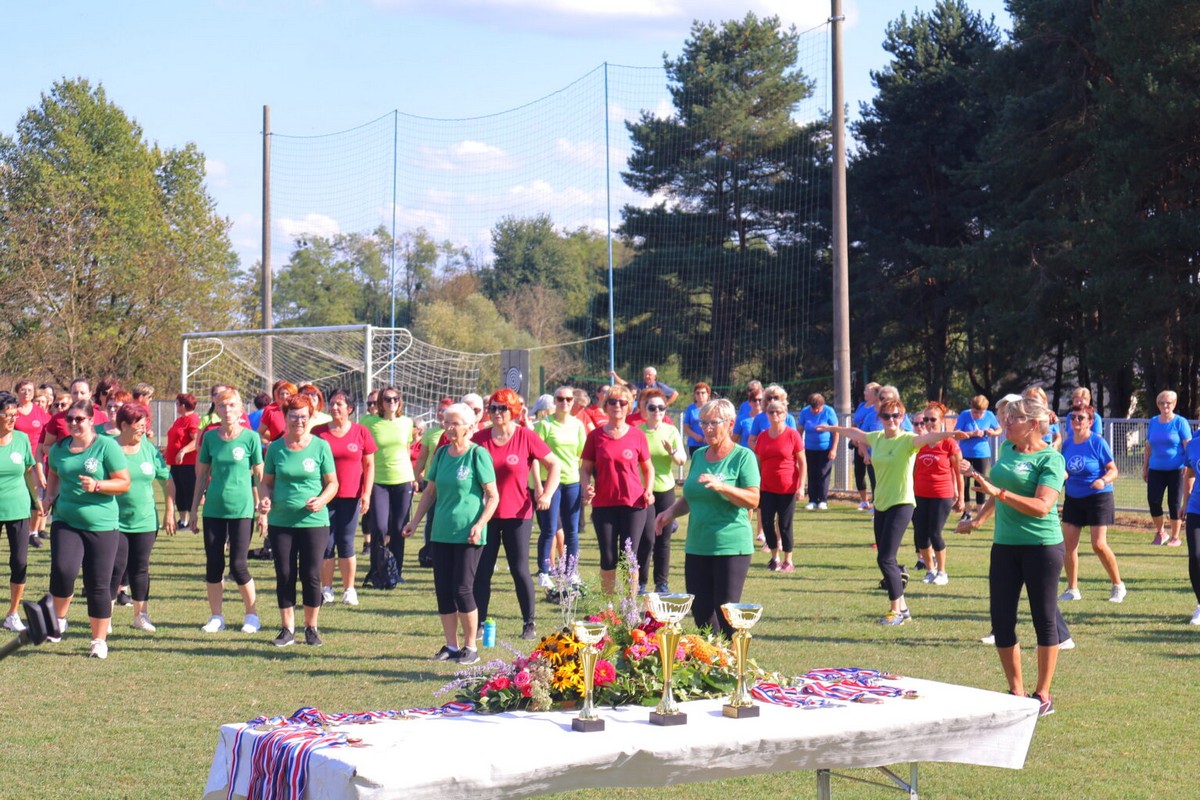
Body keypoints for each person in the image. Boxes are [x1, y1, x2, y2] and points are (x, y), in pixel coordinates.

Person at [955, 394, 1066, 715]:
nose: (1006, 422)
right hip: (1004, 545)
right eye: (1006, 417)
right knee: (1001, 620)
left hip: (1042, 547)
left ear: (1033, 424)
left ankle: (1043, 695)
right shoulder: (1006, 448)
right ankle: (1016, 691)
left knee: (1044, 619)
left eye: (1014, 418)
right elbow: (996, 493)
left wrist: (998, 492)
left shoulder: (1051, 459)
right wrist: (978, 521)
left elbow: (1042, 506)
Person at [818, 399, 967, 625]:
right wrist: (833, 428)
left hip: (902, 504)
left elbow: (929, 438)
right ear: (880, 417)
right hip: (881, 504)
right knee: (886, 558)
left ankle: (895, 611)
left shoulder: (908, 440)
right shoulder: (876, 437)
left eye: (896, 416)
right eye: (887, 416)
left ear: (902, 417)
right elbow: (856, 433)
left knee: (886, 558)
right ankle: (903, 608)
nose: (891, 420)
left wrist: (951, 434)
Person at [401, 403, 499, 665]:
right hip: (441, 532)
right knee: (443, 590)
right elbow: (430, 492)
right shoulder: (442, 453)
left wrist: (480, 525)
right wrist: (415, 522)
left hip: (469, 535)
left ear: (469, 427)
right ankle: (452, 646)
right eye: (446, 422)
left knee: (462, 589)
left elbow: (493, 496)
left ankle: (471, 647)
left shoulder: (478, 454)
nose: (448, 427)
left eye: (454, 423)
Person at [656, 399, 760, 637]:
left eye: (714, 423)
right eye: (703, 423)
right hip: (697, 545)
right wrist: (669, 512)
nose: (708, 428)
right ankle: (711, 656)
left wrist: (723, 487)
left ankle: (732, 657)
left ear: (730, 424)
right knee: (701, 612)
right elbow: (692, 496)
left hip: (730, 546)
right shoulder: (700, 455)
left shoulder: (743, 457)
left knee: (727, 614)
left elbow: (753, 499)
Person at [44, 399, 131, 659]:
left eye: (79, 419)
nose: (73, 423)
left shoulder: (106, 446)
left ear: (91, 420)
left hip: (101, 525)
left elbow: (124, 483)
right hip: (66, 520)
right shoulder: (59, 448)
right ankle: (59, 621)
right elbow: (54, 473)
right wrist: (49, 497)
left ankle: (98, 641)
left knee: (98, 583)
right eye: (70, 419)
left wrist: (98, 485)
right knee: (63, 570)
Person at [471, 389, 559, 640]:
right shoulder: (479, 438)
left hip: (518, 514)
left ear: (513, 411)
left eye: (502, 408)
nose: (497, 413)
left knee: (520, 570)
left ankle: (529, 623)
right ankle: (478, 624)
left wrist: (547, 494)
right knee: (482, 571)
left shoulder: (525, 436)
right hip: (485, 515)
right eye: (493, 408)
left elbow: (554, 464)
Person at [258, 395, 338, 647]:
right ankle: (287, 629)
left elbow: (333, 483)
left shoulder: (320, 446)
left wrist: (322, 500)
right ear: (285, 417)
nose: (299, 421)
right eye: (293, 416)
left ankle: (311, 628)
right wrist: (265, 500)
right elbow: (266, 483)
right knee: (285, 574)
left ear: (311, 417)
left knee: (311, 575)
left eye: (303, 416)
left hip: (314, 522)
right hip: (281, 522)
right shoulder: (275, 448)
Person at [191, 389, 263, 635]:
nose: (227, 410)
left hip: (242, 510)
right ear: (216, 409)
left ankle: (252, 615)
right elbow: (201, 476)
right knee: (214, 564)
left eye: (232, 405)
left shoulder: (251, 438)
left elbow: (260, 476)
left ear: (241, 408)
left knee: (239, 565)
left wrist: (263, 509)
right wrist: (193, 510)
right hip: (213, 509)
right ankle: (216, 616)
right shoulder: (210, 437)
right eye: (222, 406)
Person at [579, 384, 654, 594]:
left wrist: (649, 490)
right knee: (608, 557)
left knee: (629, 556)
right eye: (612, 402)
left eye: (622, 402)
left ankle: (629, 604)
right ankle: (609, 604)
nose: (617, 406)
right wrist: (586, 486)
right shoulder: (595, 436)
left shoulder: (638, 435)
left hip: (634, 503)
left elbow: (648, 469)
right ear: (606, 406)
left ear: (629, 406)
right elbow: (585, 469)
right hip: (604, 504)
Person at [110, 403, 174, 633]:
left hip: (145, 520)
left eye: (144, 425)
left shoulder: (149, 448)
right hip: (114, 520)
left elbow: (167, 480)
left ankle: (141, 616)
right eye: (138, 425)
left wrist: (170, 511)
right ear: (124, 425)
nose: (143, 429)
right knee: (115, 568)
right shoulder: (109, 447)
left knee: (140, 568)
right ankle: (105, 618)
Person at [314, 389, 376, 607]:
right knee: (326, 543)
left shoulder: (361, 432)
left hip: (350, 496)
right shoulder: (318, 432)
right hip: (324, 496)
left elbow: (369, 465)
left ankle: (349, 589)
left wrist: (366, 493)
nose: (334, 407)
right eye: (332, 403)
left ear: (350, 409)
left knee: (346, 542)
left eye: (339, 404)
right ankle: (327, 589)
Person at [1058, 404, 1125, 602]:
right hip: (1073, 497)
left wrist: (1103, 480)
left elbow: (1113, 470)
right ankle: (1072, 589)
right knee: (1069, 545)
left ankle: (1118, 586)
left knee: (1098, 545)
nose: (1076, 421)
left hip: (1098, 497)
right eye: (1073, 417)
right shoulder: (1067, 444)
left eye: (1080, 418)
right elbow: (1065, 470)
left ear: (1090, 421)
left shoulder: (1097, 442)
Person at [361, 387, 417, 585]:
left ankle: (395, 571)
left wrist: (414, 477)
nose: (392, 402)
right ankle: (377, 570)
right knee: (379, 527)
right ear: (381, 402)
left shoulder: (407, 422)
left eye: (395, 398)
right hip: (378, 481)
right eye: (387, 399)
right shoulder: (368, 422)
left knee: (398, 528)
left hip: (403, 479)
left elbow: (406, 450)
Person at [533, 387, 587, 587]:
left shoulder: (578, 425)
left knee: (572, 530)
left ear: (573, 401)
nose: (565, 402)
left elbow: (582, 456)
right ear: (554, 401)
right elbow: (534, 458)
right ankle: (544, 572)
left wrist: (585, 484)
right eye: (560, 398)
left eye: (569, 399)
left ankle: (571, 572)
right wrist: (538, 486)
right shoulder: (544, 425)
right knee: (549, 529)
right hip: (550, 483)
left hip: (572, 481)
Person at [637, 388, 687, 593]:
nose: (657, 411)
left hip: (665, 489)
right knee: (646, 538)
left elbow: (682, 460)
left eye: (661, 407)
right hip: (643, 492)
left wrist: (671, 451)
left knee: (663, 539)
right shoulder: (638, 432)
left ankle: (661, 584)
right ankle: (640, 583)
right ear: (644, 409)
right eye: (652, 407)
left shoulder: (671, 431)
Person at [0, 393, 40, 633]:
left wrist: (36, 501)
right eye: (8, 414)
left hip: (18, 508)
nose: (12, 419)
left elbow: (27, 471)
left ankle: (12, 614)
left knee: (20, 561)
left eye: (15, 414)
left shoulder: (22, 439)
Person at [913, 402, 964, 585]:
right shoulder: (919, 442)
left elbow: (958, 472)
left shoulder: (949, 443)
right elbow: (913, 469)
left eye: (932, 419)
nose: (928, 423)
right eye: (925, 420)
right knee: (921, 535)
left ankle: (942, 572)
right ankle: (930, 570)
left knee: (935, 533)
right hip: (920, 493)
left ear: (941, 421)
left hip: (942, 494)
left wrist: (961, 497)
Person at [755, 398, 805, 573]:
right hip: (766, 487)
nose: (775, 414)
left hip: (787, 487)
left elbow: (802, 462)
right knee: (767, 522)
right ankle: (774, 557)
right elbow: (758, 462)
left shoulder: (792, 435)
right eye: (771, 412)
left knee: (784, 524)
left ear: (785, 415)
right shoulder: (762, 436)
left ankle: (788, 561)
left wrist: (801, 486)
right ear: (767, 415)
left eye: (778, 412)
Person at [1144, 390, 1191, 546]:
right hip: (1156, 469)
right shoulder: (1153, 422)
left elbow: (1188, 446)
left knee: (1174, 503)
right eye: (1161, 403)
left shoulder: (1180, 422)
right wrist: (1145, 468)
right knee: (1153, 500)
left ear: (1174, 404)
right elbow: (1148, 447)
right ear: (1157, 405)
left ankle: (1176, 537)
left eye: (1168, 403)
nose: (1165, 406)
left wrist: (1187, 464)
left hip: (1177, 469)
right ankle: (1161, 532)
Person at [13, 381, 50, 549]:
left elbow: (50, 432)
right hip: (15, 459)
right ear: (17, 392)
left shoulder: (39, 412)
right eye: (23, 389)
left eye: (30, 390)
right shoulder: (13, 411)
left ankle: (33, 533)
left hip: (35, 460)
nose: (27, 392)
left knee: (36, 497)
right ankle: (18, 528)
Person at [955, 395, 1002, 519]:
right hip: (965, 453)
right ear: (971, 408)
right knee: (964, 482)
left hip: (982, 453)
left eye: (981, 412)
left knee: (980, 481)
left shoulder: (990, 415)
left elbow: (999, 429)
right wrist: (971, 434)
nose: (978, 415)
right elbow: (956, 434)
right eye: (975, 412)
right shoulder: (965, 415)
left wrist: (992, 432)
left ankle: (980, 510)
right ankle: (967, 511)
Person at [165, 393, 201, 531]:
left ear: (183, 405)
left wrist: (183, 451)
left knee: (188, 491)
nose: (176, 406)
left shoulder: (192, 420)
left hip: (188, 464)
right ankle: (183, 521)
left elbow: (196, 440)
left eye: (177, 404)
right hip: (176, 464)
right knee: (178, 491)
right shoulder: (179, 420)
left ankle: (193, 520)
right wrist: (166, 451)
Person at [799, 392, 838, 510]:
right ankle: (812, 500)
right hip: (809, 449)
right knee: (812, 473)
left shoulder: (829, 411)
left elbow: (836, 431)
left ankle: (823, 500)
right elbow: (799, 431)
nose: (815, 410)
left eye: (818, 408)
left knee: (823, 473)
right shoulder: (805, 412)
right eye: (813, 408)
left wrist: (834, 449)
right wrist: (799, 448)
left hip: (825, 449)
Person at [852, 383, 881, 510]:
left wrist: (863, 444)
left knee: (874, 476)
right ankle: (864, 501)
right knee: (859, 473)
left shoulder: (877, 409)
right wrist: (854, 438)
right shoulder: (861, 406)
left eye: (867, 391)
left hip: (869, 445)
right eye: (864, 390)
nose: (864, 393)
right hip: (858, 443)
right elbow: (854, 422)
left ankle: (876, 503)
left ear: (875, 394)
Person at [746, 384, 796, 449]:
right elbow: (751, 441)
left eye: (776, 398)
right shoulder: (759, 418)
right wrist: (762, 451)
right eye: (769, 398)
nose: (772, 400)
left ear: (782, 399)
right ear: (765, 400)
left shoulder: (789, 418)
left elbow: (794, 441)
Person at [610, 366, 679, 407]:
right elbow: (625, 384)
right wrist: (615, 376)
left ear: (654, 377)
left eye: (649, 375)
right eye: (645, 374)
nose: (647, 376)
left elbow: (675, 394)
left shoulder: (660, 386)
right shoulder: (639, 385)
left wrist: (665, 404)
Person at [257, 380, 297, 446]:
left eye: (287, 393)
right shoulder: (270, 410)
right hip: (277, 449)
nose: (284, 396)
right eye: (282, 394)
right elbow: (259, 433)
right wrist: (267, 443)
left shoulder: (298, 410)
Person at [682, 383, 711, 457]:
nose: (700, 395)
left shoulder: (712, 408)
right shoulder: (690, 408)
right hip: (694, 443)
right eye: (697, 393)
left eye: (703, 393)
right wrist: (696, 436)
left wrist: (708, 437)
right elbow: (686, 427)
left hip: (709, 443)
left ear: (708, 394)